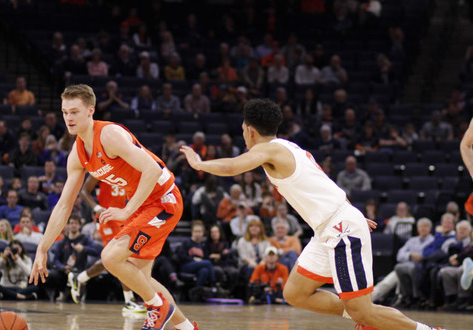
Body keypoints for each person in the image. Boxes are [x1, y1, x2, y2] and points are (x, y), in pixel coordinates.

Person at [180, 98, 443, 330]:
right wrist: (351, 210)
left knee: (362, 308)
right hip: (329, 227)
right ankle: (366, 321)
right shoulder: (289, 147)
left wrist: (199, 163)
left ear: (250, 131)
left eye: (242, 131)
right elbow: (325, 182)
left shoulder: (268, 149)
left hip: (341, 228)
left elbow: (233, 166)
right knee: (295, 293)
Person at [29, 84, 196, 330]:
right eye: (65, 112)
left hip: (164, 199)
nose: (68, 118)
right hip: (143, 205)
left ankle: (156, 307)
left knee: (110, 257)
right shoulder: (76, 155)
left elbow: (152, 169)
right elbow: (65, 205)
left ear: (90, 111)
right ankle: (187, 328)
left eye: (74, 112)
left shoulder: (109, 135)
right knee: (143, 280)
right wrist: (42, 248)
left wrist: (127, 211)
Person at [68, 175, 146, 313]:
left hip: (123, 216)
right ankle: (129, 302)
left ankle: (79, 278)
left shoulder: (127, 166)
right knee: (118, 257)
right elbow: (84, 191)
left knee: (117, 259)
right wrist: (96, 207)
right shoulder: (100, 169)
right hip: (107, 217)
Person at [46, 215, 99, 302]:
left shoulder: (84, 239)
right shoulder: (63, 241)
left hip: (79, 270)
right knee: (52, 275)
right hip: (65, 271)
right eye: (71, 223)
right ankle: (60, 292)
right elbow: (55, 260)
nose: (73, 225)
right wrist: (63, 267)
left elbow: (96, 251)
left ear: (79, 225)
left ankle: (81, 292)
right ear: (68, 225)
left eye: (76, 223)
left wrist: (84, 249)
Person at [177, 221, 217, 289]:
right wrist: (193, 259)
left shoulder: (203, 245)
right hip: (187, 265)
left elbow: (206, 257)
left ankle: (197, 290)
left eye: (199, 232)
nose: (197, 233)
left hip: (199, 265)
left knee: (204, 271)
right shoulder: (186, 242)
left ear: (202, 233)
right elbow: (181, 256)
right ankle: (214, 284)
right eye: (195, 231)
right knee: (208, 263)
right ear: (192, 232)